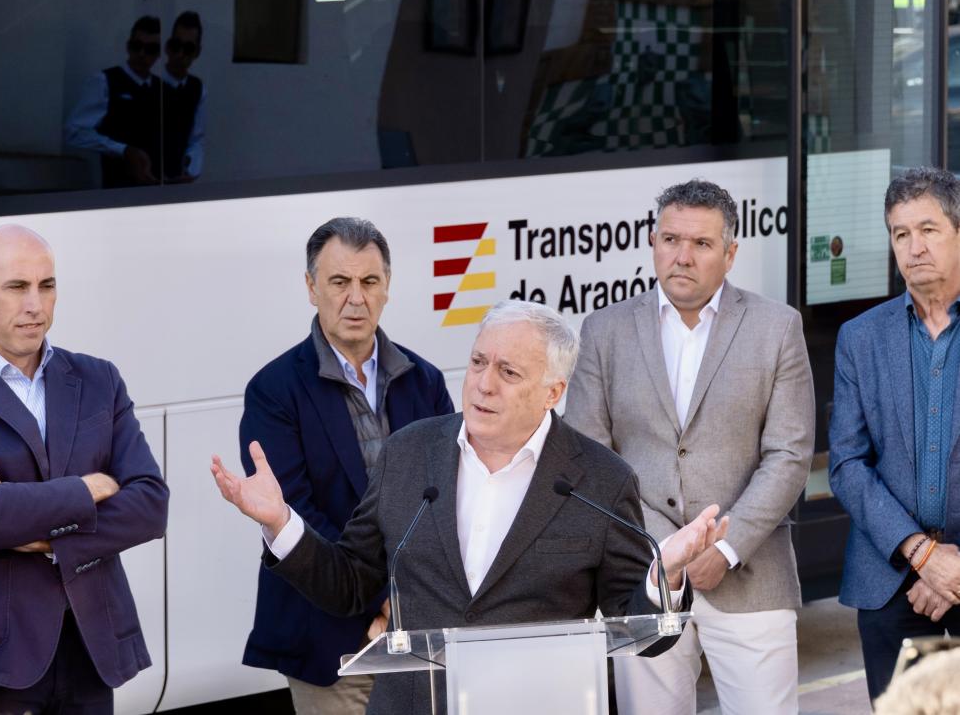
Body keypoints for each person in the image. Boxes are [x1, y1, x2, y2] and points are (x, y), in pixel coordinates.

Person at [212, 299, 729, 715]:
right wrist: (282, 525)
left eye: (508, 372)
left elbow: (642, 634)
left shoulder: (600, 479)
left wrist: (665, 576)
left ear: (553, 391)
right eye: (480, 362)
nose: (483, 383)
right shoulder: (409, 454)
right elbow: (351, 583)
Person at [565, 179, 814, 715]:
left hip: (751, 576)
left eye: (701, 244)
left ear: (730, 253)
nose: (682, 256)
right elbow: (588, 458)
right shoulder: (604, 331)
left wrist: (724, 549)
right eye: (670, 239)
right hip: (644, 577)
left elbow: (790, 455)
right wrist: (665, 554)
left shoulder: (777, 327)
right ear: (653, 242)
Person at [238, 217, 455, 715]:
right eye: (339, 282)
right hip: (330, 640)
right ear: (312, 288)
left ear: (387, 289)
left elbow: (444, 497)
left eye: (369, 281)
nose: (355, 298)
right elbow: (295, 515)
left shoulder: (424, 380)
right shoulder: (273, 391)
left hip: (419, 634)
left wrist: (407, 605)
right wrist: (381, 601)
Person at [0, 225, 169, 714]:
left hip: (91, 647)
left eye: (47, 285)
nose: (35, 304)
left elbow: (150, 505)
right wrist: (89, 488)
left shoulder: (98, 380)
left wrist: (43, 534)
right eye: (17, 287)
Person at [829, 166, 960, 702]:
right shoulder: (859, 338)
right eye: (900, 233)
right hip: (890, 583)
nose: (914, 247)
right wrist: (924, 557)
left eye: (929, 230)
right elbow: (846, 463)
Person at [65, 16, 163, 188]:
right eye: (137, 46)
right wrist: (122, 150)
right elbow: (74, 132)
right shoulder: (104, 82)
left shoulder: (162, 89)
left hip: (158, 194)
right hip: (117, 195)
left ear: (158, 54)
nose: (142, 53)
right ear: (128, 46)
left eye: (150, 49)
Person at [161, 11, 206, 183]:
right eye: (176, 46)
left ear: (197, 52)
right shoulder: (149, 83)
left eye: (188, 49)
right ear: (167, 46)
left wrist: (190, 167)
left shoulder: (198, 89)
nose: (180, 54)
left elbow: (197, 139)